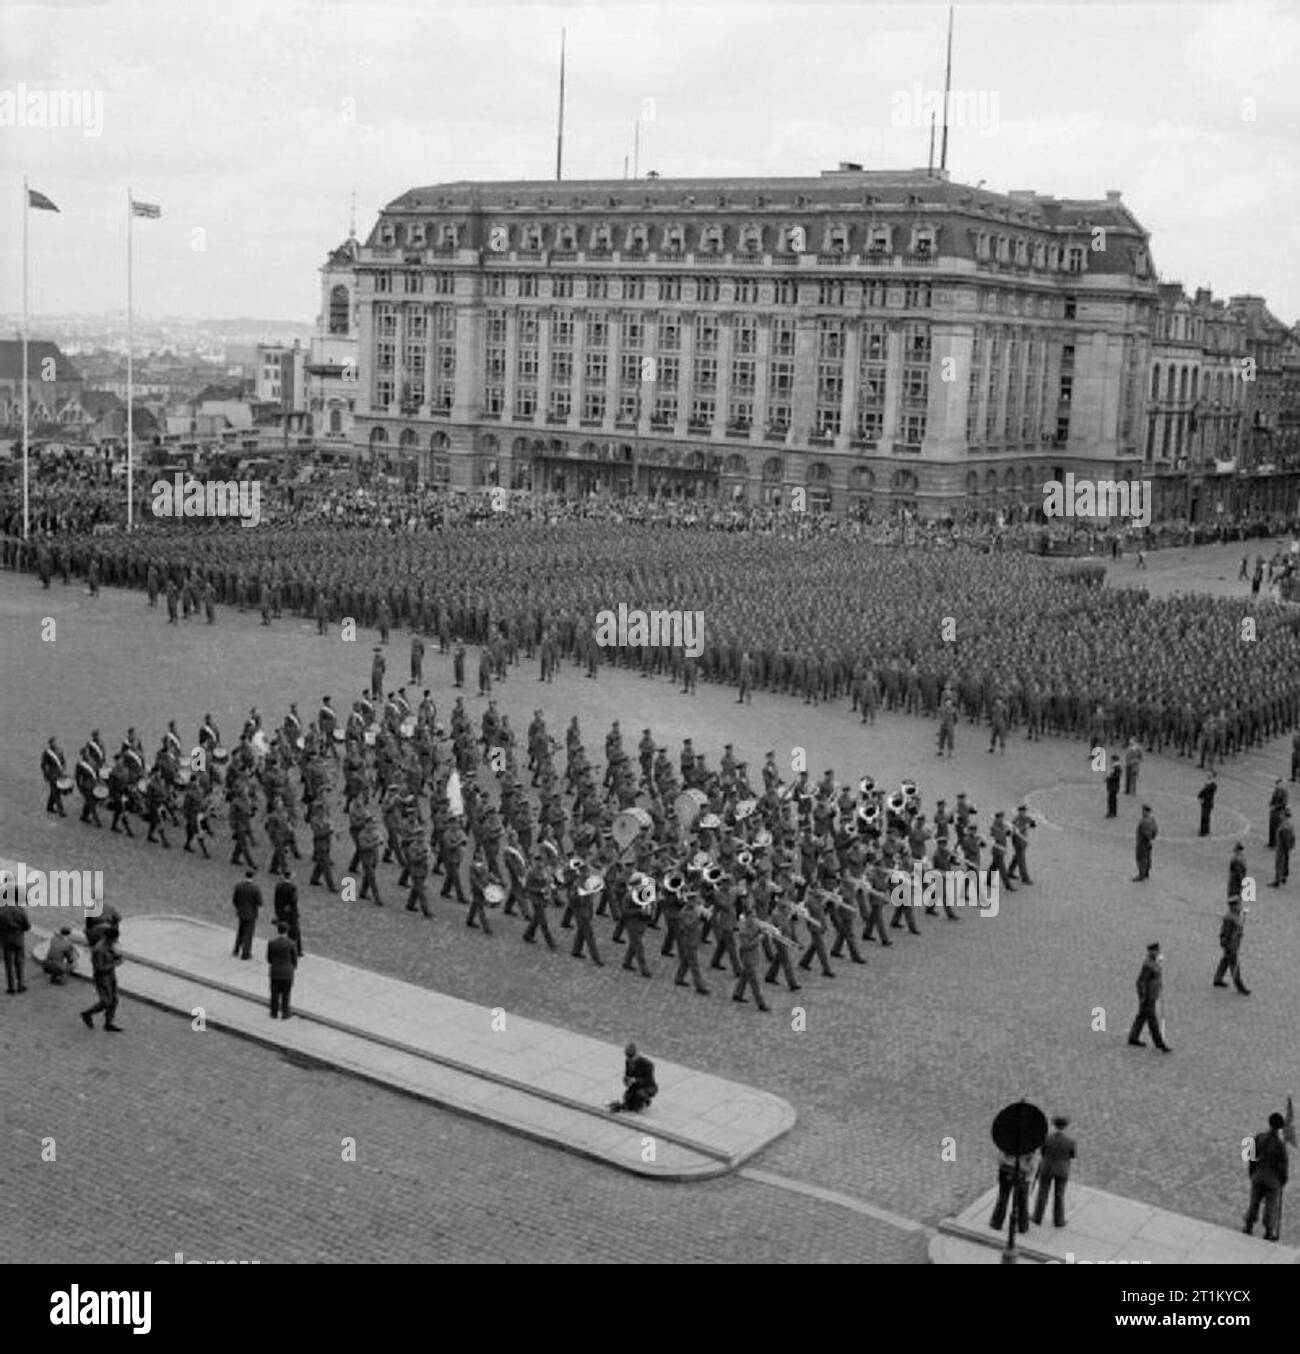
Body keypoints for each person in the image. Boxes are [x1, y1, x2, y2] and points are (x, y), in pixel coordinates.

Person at [1243, 1112, 1289, 1242]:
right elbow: (1283, 1166)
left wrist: (1252, 1172)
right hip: (1272, 1180)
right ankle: (1269, 1231)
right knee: (1271, 1206)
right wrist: (1283, 1180)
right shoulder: (1280, 1145)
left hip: (1258, 1174)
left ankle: (1248, 1225)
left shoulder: (1259, 1137)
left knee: (1254, 1202)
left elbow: (1251, 1156)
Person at [1127, 941, 1172, 1052]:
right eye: (1156, 951)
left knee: (1141, 1017)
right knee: (1153, 1022)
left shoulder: (1154, 962)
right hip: (1148, 998)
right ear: (1151, 951)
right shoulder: (1148, 965)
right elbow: (1141, 982)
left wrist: (1159, 985)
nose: (1158, 952)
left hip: (1152, 995)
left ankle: (1133, 1037)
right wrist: (1142, 997)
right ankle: (1160, 1043)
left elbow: (1156, 977)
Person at [1032, 1116, 1077, 1227]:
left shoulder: (1046, 1138)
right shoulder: (1071, 1141)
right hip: (1062, 1169)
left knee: (1042, 1192)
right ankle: (1059, 1220)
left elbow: (1042, 1152)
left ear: (1054, 1125)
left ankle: (1037, 1217)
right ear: (1065, 1126)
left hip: (1047, 1167)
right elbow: (1073, 1155)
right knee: (1059, 1195)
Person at [80, 929, 123, 1031]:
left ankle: (108, 1023)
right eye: (115, 938)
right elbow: (99, 967)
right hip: (102, 978)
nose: (116, 940)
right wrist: (115, 963)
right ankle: (87, 1013)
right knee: (106, 1002)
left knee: (114, 1000)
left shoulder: (110, 946)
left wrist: (117, 955)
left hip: (110, 975)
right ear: (110, 938)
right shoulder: (99, 950)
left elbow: (114, 956)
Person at [989, 1148, 1035, 1234]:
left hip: (1006, 1168)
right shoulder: (1029, 1143)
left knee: (1003, 1197)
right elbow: (1031, 1159)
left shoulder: (1008, 1140)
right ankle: (1022, 1226)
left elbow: (1001, 1157)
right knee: (1022, 1200)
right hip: (1022, 1170)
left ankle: (997, 1223)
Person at [1213, 897, 1250, 995]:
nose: (1240, 906)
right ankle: (1240, 986)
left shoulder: (1235, 916)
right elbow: (1227, 933)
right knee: (1234, 966)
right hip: (1231, 945)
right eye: (1238, 905)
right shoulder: (1230, 918)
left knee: (1225, 960)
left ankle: (1218, 978)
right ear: (1233, 906)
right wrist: (1228, 943)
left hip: (1233, 943)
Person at [608, 1043, 657, 1113]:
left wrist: (636, 1080)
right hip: (635, 1086)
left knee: (640, 1094)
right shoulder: (628, 1062)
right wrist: (626, 1080)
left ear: (636, 1054)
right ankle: (641, 1102)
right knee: (627, 1099)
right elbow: (627, 1074)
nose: (630, 1060)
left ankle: (642, 1104)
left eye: (631, 1058)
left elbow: (649, 1080)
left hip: (648, 1086)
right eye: (628, 1057)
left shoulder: (647, 1064)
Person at [267, 920, 298, 1019]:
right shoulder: (291, 944)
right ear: (287, 931)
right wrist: (293, 967)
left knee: (274, 993)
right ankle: (285, 1013)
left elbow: (269, 958)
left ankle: (274, 1012)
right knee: (286, 993)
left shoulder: (272, 943)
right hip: (287, 972)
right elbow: (294, 959)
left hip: (275, 971)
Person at [0, 899, 32, 994]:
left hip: (5, 939)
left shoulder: (1, 910)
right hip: (18, 939)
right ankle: (21, 985)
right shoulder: (20, 910)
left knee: (8, 964)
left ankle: (11, 988)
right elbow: (27, 926)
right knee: (20, 962)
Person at [232, 869, 262, 960]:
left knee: (240, 931)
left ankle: (236, 950)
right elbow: (259, 902)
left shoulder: (239, 886)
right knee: (248, 934)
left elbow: (234, 900)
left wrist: (239, 907)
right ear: (252, 877)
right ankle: (245, 953)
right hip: (251, 913)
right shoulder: (255, 888)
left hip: (241, 912)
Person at [273, 872, 303, 956]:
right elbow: (294, 901)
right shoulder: (293, 887)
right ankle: (296, 951)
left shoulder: (278, 886)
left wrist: (277, 912)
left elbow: (276, 901)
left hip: (281, 913)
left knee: (283, 932)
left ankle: (284, 949)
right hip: (291, 915)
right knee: (294, 933)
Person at [1133, 804, 1157, 882]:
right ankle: (1146, 873)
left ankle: (1141, 875)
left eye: (1143, 811)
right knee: (1147, 857)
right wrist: (1152, 837)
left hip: (1142, 842)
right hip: (1148, 842)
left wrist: (1147, 838)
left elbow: (1145, 833)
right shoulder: (1152, 819)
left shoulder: (1144, 821)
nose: (1142, 812)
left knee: (1141, 858)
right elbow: (1155, 830)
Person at [1271, 809, 1294, 887]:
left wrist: (1287, 847)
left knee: (1279, 863)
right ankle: (1284, 877)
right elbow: (1292, 837)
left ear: (1284, 816)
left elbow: (1285, 839)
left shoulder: (1284, 826)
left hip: (1282, 848)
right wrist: (1291, 846)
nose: (1280, 816)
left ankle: (1277, 880)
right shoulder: (1289, 824)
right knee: (1285, 862)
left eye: (1281, 815)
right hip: (1285, 848)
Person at [1198, 771, 1217, 837]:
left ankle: (1204, 831)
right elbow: (1203, 791)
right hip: (1205, 802)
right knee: (1205, 816)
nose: (1208, 776)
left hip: (1208, 803)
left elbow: (1207, 793)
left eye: (1210, 775)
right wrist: (1200, 796)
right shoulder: (1208, 784)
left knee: (1205, 817)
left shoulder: (1213, 785)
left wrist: (1201, 797)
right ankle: (1205, 830)